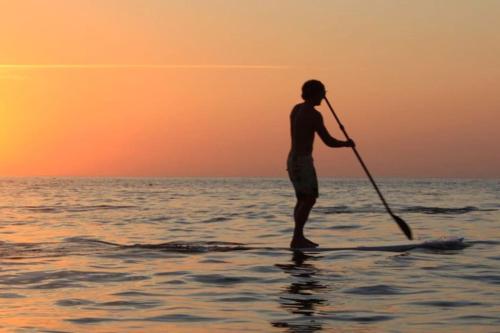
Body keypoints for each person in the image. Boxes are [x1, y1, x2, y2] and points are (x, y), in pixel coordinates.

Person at [287, 80, 355, 249]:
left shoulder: (296, 109)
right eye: (323, 92)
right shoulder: (314, 114)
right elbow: (328, 141)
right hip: (302, 161)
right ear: (315, 93)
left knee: (302, 199)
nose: (324, 96)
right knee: (309, 199)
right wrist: (346, 144)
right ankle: (297, 238)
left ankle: (298, 237)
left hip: (292, 158)